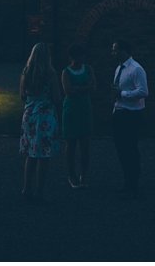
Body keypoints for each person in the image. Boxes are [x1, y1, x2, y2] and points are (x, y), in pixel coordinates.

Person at [19, 42, 62, 203]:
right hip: (44, 115)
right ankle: (39, 192)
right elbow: (57, 97)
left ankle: (26, 189)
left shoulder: (26, 72)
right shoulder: (50, 74)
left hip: (29, 115)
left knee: (31, 154)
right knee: (43, 155)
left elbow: (22, 95)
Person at [110, 39, 148, 197]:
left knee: (130, 148)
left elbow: (143, 91)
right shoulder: (119, 68)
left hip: (131, 114)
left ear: (124, 51)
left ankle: (133, 183)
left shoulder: (136, 69)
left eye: (115, 50)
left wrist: (122, 94)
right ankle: (127, 181)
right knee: (121, 149)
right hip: (119, 112)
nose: (113, 53)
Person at [60, 43, 96, 189]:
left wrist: (78, 88)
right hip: (71, 110)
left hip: (84, 109)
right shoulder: (65, 72)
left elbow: (94, 87)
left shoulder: (88, 69)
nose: (81, 59)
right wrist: (85, 87)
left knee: (85, 144)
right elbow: (68, 91)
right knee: (71, 144)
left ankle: (84, 174)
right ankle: (71, 174)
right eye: (79, 56)